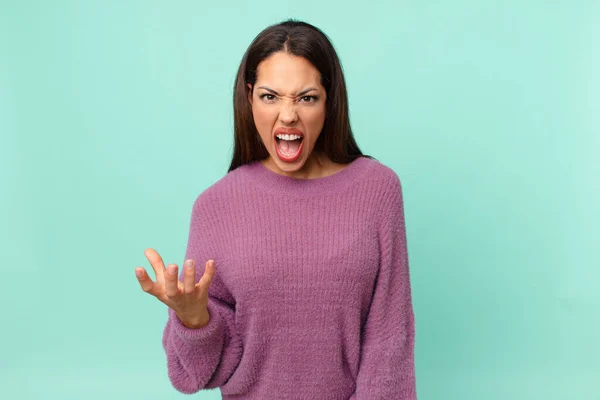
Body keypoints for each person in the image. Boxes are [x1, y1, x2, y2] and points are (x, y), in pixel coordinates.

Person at [135, 19, 417, 399]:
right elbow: (197, 373)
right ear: (249, 97)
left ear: (329, 100)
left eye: (306, 97)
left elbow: (388, 340)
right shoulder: (215, 205)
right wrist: (193, 319)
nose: (288, 115)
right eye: (271, 96)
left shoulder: (377, 189)